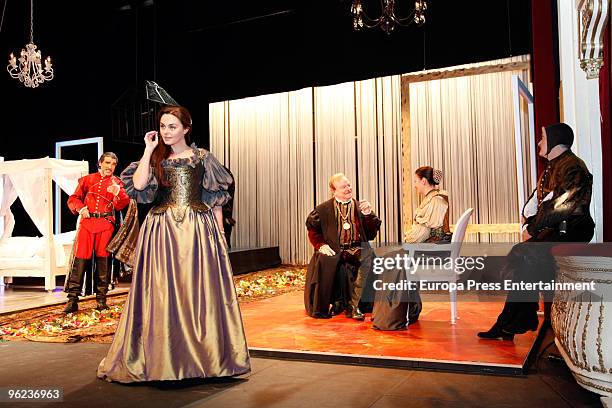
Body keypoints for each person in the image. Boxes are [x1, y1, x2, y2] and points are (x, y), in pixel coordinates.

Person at [97, 105, 250, 382]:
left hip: (197, 230)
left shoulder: (203, 157)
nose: (167, 132)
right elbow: (140, 186)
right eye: (163, 126)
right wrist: (148, 149)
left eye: (172, 127)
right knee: (162, 292)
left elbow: (215, 201)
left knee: (196, 291)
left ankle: (203, 357)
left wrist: (220, 241)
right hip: (162, 231)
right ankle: (163, 357)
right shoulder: (155, 157)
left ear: (186, 129)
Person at [478, 123, 594, 340]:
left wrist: (532, 228)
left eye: (542, 138)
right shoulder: (554, 166)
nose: (539, 142)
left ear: (555, 140)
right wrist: (528, 221)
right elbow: (539, 202)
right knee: (523, 259)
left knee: (524, 255)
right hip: (557, 231)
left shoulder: (573, 167)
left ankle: (514, 321)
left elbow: (562, 206)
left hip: (572, 232)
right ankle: (511, 322)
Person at [371, 166, 451, 330]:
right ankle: (392, 311)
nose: (415, 185)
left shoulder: (436, 200)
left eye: (415, 181)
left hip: (433, 252)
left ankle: (395, 315)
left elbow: (421, 234)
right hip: (428, 248)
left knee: (391, 260)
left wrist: (408, 240)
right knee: (387, 258)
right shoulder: (433, 198)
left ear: (423, 181)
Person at [304, 173, 381, 320]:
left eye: (349, 185)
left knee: (369, 258)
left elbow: (371, 234)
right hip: (334, 248)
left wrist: (368, 215)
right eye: (343, 187)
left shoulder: (360, 207)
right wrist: (320, 245)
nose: (348, 188)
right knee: (326, 260)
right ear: (334, 190)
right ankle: (336, 302)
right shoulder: (323, 209)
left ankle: (354, 304)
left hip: (356, 248)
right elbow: (313, 230)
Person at [64, 152, 130, 313]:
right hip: (87, 224)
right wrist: (81, 208)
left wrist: (118, 193)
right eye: (107, 162)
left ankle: (101, 299)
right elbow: (73, 199)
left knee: (103, 261)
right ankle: (72, 300)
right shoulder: (87, 180)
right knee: (80, 259)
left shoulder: (117, 183)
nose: (110, 167)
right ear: (100, 163)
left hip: (106, 225)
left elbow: (123, 203)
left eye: (113, 164)